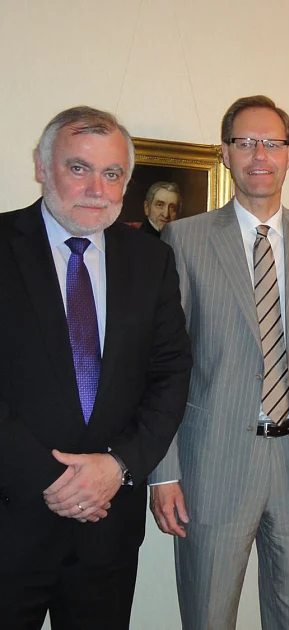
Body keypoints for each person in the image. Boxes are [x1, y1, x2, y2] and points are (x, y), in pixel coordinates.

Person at [148, 95, 289, 630]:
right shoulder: (186, 239)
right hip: (212, 466)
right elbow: (162, 366)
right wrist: (164, 472)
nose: (259, 154)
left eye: (272, 143)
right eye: (245, 142)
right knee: (208, 614)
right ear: (226, 153)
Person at [0, 106, 192, 628]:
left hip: (107, 528)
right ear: (42, 168)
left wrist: (119, 466)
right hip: (10, 517)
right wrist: (58, 481)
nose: (96, 188)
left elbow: (171, 373)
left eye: (112, 174)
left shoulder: (151, 260)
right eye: (78, 168)